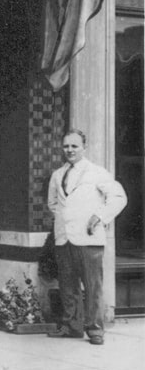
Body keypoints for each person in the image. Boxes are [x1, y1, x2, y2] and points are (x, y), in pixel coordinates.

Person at [46, 129, 126, 345]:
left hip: (89, 239)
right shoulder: (57, 174)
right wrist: (67, 220)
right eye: (66, 146)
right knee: (68, 285)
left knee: (93, 286)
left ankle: (95, 329)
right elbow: (53, 203)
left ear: (84, 147)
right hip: (64, 239)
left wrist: (99, 216)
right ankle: (72, 326)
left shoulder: (97, 172)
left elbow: (118, 197)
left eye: (74, 146)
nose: (69, 150)